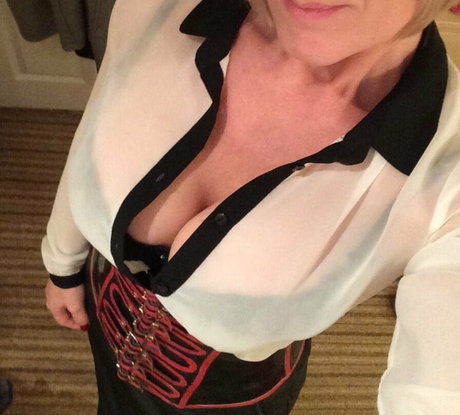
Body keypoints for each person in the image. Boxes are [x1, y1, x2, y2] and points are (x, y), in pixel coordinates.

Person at [42, 0, 460, 414]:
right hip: (104, 326)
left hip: (233, 397)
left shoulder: (449, 174)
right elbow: (94, 128)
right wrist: (62, 262)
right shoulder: (156, 8)